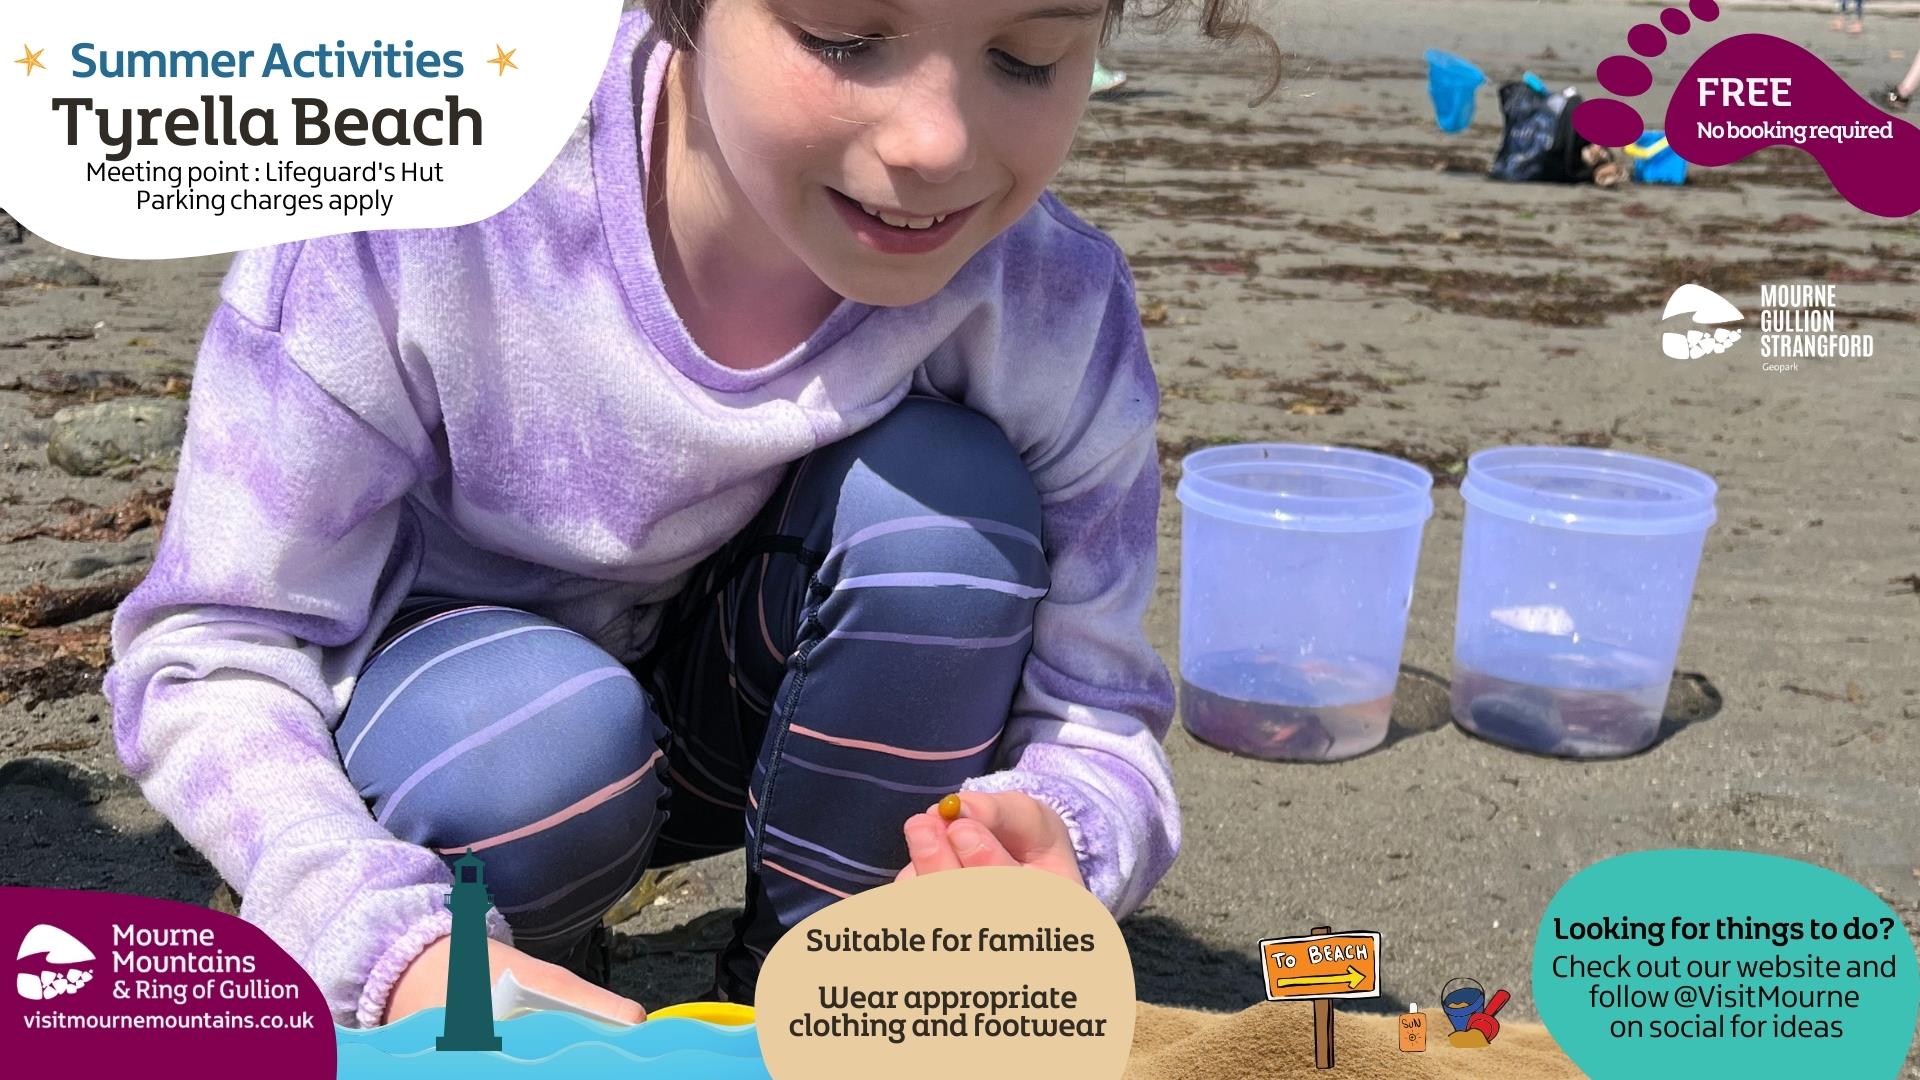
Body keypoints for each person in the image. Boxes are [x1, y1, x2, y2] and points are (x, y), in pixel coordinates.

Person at [105, 0, 1279, 1030]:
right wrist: (370, 930)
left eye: (1026, 56)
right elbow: (213, 650)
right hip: (464, 737)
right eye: (844, 38)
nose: (936, 144)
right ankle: (524, 970)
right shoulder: (426, 212)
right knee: (543, 751)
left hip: (764, 705)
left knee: (945, 518)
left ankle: (824, 990)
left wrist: (1058, 840)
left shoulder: (1049, 303)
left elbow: (1098, 712)